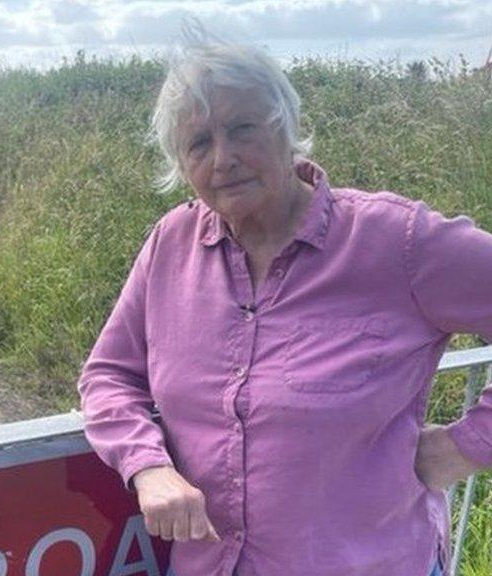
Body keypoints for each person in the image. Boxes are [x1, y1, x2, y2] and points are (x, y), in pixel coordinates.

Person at [76, 35, 492, 576]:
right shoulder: (169, 245)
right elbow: (108, 375)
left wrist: (468, 445)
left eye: (242, 128)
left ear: (286, 127)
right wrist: (147, 465)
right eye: (198, 143)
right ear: (181, 165)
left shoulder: (397, 241)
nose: (223, 159)